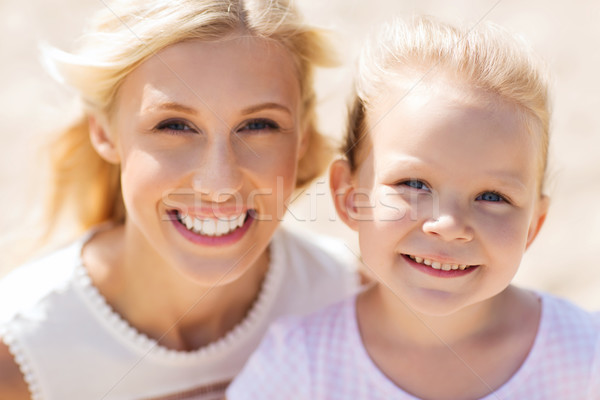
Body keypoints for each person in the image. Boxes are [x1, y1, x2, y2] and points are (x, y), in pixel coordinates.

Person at [227, 16, 600, 399]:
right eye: (414, 184)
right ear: (349, 196)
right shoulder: (297, 366)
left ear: (533, 226)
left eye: (493, 196)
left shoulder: (585, 358)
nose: (450, 224)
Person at [0, 0, 359, 398]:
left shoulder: (349, 297)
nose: (218, 182)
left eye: (259, 125)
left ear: (302, 138)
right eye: (174, 125)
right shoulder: (19, 355)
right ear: (104, 133)